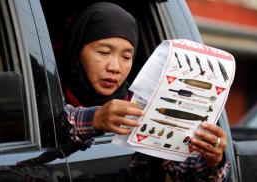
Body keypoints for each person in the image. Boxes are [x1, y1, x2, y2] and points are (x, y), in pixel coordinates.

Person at [57, 2, 230, 181]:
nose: (115, 67)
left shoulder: (141, 107)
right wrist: (95, 118)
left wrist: (213, 161)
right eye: (104, 52)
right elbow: (50, 128)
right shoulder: (45, 91)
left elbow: (180, 168)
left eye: (126, 57)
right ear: (77, 50)